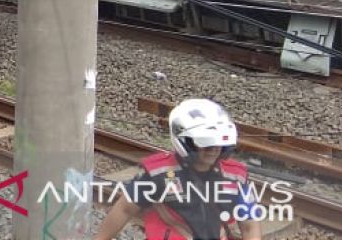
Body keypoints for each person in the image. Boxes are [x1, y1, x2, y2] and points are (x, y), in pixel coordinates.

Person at [93, 98, 262, 240]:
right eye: (206, 143)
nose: (214, 149)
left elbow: (249, 225)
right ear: (185, 141)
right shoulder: (157, 173)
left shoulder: (236, 176)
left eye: (218, 143)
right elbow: (125, 208)